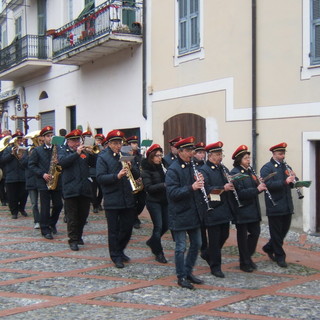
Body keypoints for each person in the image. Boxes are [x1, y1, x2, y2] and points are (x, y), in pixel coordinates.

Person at [165, 136, 205, 289]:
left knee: (197, 243)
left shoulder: (193, 166)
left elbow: (196, 189)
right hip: (180, 213)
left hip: (193, 211)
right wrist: (192, 187)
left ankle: (188, 271)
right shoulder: (173, 169)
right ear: (180, 152)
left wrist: (200, 182)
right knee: (181, 247)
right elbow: (172, 193)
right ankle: (181, 276)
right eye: (188, 151)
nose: (191, 153)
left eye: (192, 150)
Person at [96, 130, 138, 268]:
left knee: (127, 228)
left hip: (127, 198)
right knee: (114, 230)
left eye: (119, 143)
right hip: (112, 199)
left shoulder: (125, 155)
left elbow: (137, 174)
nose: (118, 146)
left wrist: (132, 168)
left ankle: (120, 250)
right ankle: (115, 256)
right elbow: (100, 178)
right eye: (115, 143)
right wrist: (116, 176)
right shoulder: (102, 157)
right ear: (108, 144)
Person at [199, 141, 234, 278]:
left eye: (221, 154)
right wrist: (223, 188)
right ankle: (215, 266)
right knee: (214, 239)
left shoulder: (222, 168)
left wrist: (233, 180)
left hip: (224, 207)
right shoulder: (204, 170)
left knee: (224, 235)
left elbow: (228, 180)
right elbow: (207, 191)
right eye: (218, 154)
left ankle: (208, 254)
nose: (220, 157)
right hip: (212, 208)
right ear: (210, 155)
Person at [230, 145, 267, 272]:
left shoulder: (250, 172)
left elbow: (255, 190)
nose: (248, 160)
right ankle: (244, 262)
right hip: (242, 210)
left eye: (249, 158)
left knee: (255, 233)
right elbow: (240, 193)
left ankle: (248, 257)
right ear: (239, 159)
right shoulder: (235, 173)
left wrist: (260, 184)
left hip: (253, 209)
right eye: (246, 158)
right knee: (242, 237)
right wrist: (257, 189)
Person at [260, 142, 297, 268]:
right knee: (276, 233)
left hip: (286, 204)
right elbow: (268, 185)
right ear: (274, 154)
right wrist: (284, 182)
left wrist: (294, 180)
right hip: (275, 204)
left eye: (283, 154)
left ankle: (269, 247)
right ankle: (280, 256)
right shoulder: (267, 168)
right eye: (280, 154)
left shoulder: (286, 166)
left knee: (284, 231)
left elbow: (291, 184)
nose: (282, 156)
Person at [58, 129, 95, 251]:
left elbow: (94, 163)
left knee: (83, 216)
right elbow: (63, 163)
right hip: (70, 188)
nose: (76, 143)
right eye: (73, 141)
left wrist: (92, 153)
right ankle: (73, 240)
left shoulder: (83, 152)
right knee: (72, 217)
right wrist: (77, 153)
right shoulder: (63, 151)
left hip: (84, 188)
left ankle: (78, 236)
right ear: (68, 142)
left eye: (78, 140)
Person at [29, 126, 63, 239]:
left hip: (56, 180)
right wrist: (42, 174)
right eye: (48, 136)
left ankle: (52, 223)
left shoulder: (57, 148)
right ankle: (45, 229)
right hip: (43, 181)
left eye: (51, 136)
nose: (50, 138)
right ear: (43, 138)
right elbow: (31, 165)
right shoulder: (37, 150)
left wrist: (59, 162)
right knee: (45, 206)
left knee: (58, 205)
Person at [141, 144, 168, 263]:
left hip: (164, 200)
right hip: (153, 201)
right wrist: (164, 185)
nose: (159, 158)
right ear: (151, 157)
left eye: (161, 155)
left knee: (166, 225)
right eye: (157, 155)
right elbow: (148, 187)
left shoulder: (162, 167)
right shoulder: (146, 169)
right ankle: (158, 252)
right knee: (158, 226)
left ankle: (152, 241)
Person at [0, 131, 28, 219]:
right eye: (18, 140)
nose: (19, 142)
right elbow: (3, 160)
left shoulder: (25, 150)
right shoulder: (8, 149)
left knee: (23, 194)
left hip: (23, 175)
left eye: (20, 140)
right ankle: (14, 212)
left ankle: (22, 208)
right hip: (11, 176)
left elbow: (28, 162)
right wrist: (12, 154)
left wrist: (22, 157)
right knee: (12, 196)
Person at [22, 131, 44, 229]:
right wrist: (29, 156)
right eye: (38, 140)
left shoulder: (43, 150)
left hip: (41, 179)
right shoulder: (28, 150)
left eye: (40, 140)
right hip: (31, 180)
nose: (39, 141)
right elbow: (22, 164)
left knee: (44, 202)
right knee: (34, 203)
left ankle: (44, 220)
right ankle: (37, 221)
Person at [126, 135, 146, 229]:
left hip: (140, 182)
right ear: (129, 145)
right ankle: (134, 219)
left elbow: (143, 168)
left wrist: (141, 177)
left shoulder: (140, 156)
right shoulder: (126, 156)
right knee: (133, 202)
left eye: (136, 143)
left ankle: (132, 216)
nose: (136, 145)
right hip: (130, 182)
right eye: (133, 143)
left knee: (142, 202)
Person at [91, 133, 104, 213]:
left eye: (100, 140)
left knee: (102, 190)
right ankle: (95, 205)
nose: (98, 142)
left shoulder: (103, 150)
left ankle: (98, 203)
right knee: (93, 190)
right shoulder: (91, 149)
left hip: (101, 172)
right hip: (93, 172)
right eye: (97, 140)